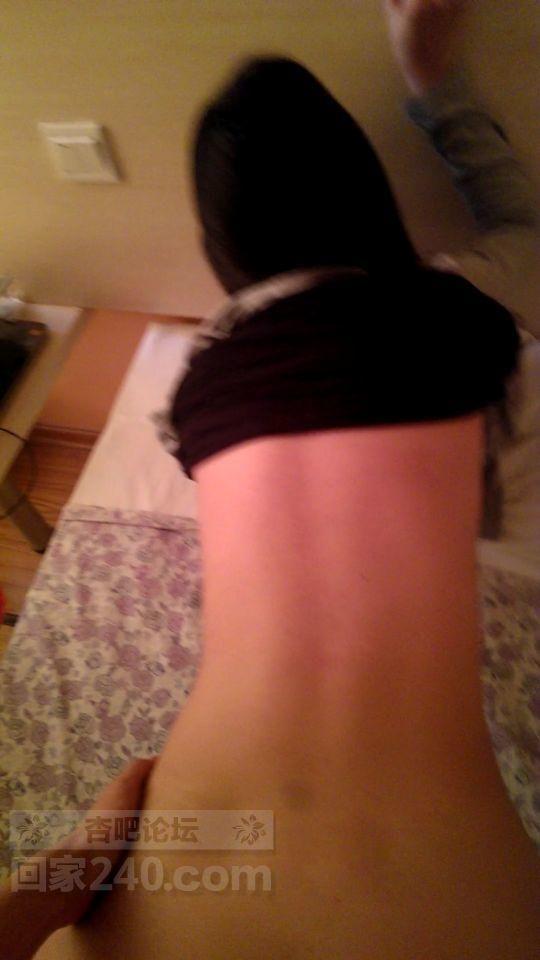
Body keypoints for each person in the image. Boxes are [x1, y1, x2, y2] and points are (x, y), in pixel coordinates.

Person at [27, 1, 540, 957]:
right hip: (429, 884)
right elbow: (525, 223)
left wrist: (93, 848)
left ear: (222, 247)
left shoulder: (200, 385)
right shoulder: (469, 310)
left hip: (210, 850)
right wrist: (432, 79)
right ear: (369, 198)